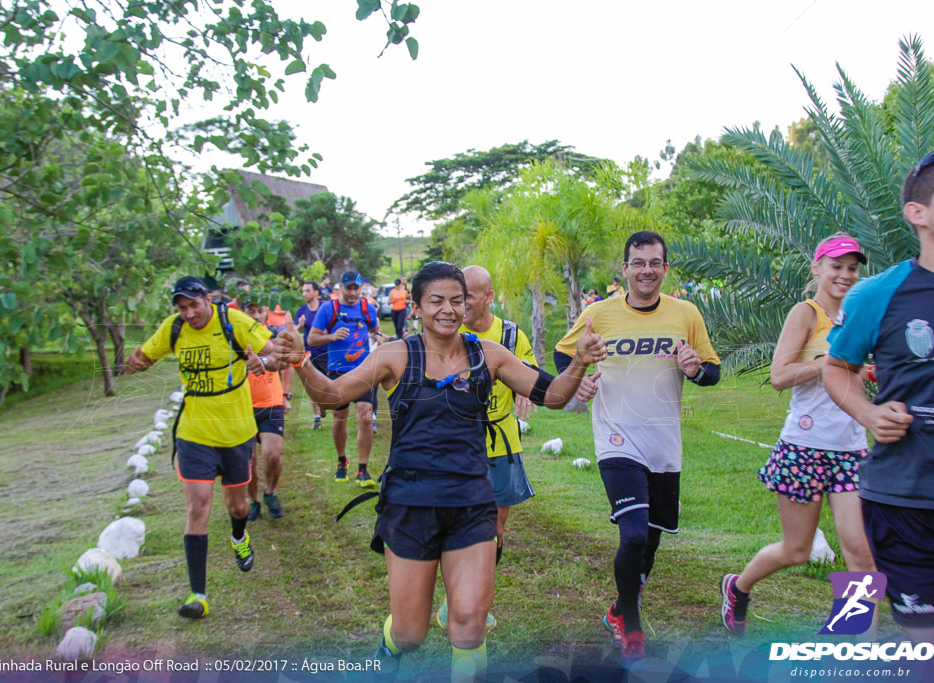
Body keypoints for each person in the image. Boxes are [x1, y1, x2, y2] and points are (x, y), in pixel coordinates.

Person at [274, 260, 607, 681]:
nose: (448, 309)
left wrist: (576, 364)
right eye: (436, 301)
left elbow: (553, 395)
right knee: (410, 633)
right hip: (410, 505)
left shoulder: (489, 355)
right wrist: (301, 362)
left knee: (467, 624)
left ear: (468, 305)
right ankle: (390, 645)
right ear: (415, 307)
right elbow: (333, 396)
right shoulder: (394, 356)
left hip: (471, 502)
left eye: (457, 300)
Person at [555, 230, 721, 659]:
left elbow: (711, 372)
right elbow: (563, 356)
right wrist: (580, 379)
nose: (646, 270)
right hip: (616, 437)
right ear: (624, 269)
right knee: (631, 537)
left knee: (650, 540)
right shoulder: (599, 314)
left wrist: (695, 368)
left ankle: (619, 606)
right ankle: (629, 622)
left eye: (655, 263)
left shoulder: (686, 314)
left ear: (665, 269)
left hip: (664, 442)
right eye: (638, 262)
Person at [824, 150, 934, 667]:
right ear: (917, 212)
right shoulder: (878, 296)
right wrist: (868, 413)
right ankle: (846, 644)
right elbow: (835, 368)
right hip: (911, 504)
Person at [720, 234, 875, 636]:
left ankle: (853, 642)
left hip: (850, 449)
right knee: (797, 551)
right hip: (803, 448)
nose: (845, 275)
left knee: (860, 552)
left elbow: (854, 374)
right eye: (837, 266)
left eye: (853, 268)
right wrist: (826, 364)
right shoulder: (805, 313)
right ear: (817, 268)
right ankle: (738, 587)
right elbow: (779, 376)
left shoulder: (861, 314)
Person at [124, 276, 279, 619]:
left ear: (207, 299)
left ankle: (239, 538)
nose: (189, 313)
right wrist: (135, 363)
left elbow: (278, 355)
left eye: (194, 305)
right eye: (182, 307)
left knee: (237, 507)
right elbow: (145, 355)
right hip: (194, 432)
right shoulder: (174, 328)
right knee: (197, 507)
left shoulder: (234, 321)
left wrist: (262, 364)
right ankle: (198, 594)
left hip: (236, 432)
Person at [431, 265, 538, 632]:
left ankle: (476, 598)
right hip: (456, 448)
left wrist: (530, 392)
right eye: (455, 297)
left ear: (488, 296)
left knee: (496, 526)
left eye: (467, 297)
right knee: (457, 525)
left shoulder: (510, 335)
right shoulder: (447, 334)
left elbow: (532, 374)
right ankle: (455, 598)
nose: (459, 305)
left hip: (501, 445)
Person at [307, 270, 389, 487]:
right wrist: (331, 336)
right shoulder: (329, 308)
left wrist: (380, 337)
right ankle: (342, 460)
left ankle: (363, 468)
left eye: (356, 288)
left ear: (360, 288)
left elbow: (376, 330)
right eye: (348, 288)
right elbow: (312, 339)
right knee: (339, 417)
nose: (352, 292)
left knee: (365, 416)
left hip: (363, 370)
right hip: (338, 371)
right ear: (341, 288)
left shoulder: (367, 308)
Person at [243, 299, 290, 521]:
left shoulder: (273, 337)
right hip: (242, 407)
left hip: (271, 403)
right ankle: (253, 500)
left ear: (266, 313)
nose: (255, 316)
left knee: (272, 454)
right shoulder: (235, 339)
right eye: (250, 311)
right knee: (248, 462)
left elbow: (286, 364)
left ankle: (270, 492)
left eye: (259, 311)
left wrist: (285, 395)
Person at [295, 280, 328, 430]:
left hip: (326, 352)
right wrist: (300, 326)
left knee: (327, 384)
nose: (305, 294)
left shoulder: (325, 308)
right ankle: (316, 418)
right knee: (311, 385)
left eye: (307, 290)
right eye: (303, 291)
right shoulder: (301, 311)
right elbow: (294, 332)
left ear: (316, 292)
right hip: (309, 352)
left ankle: (323, 405)